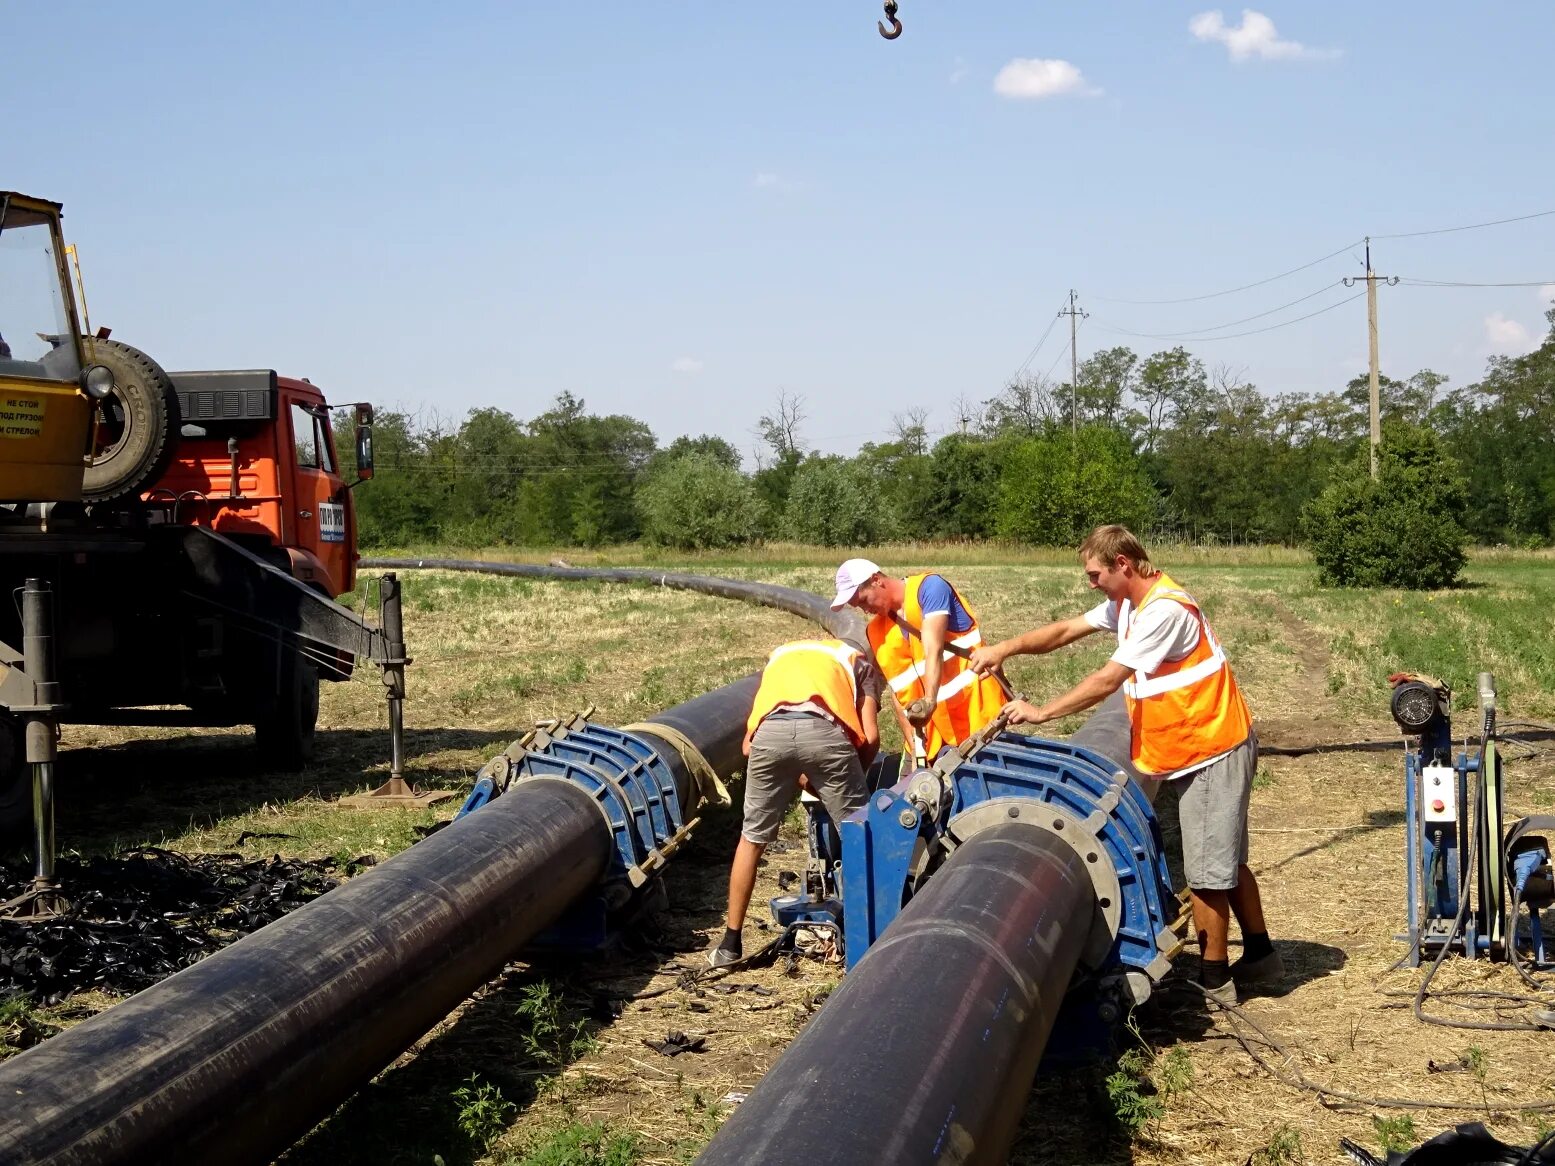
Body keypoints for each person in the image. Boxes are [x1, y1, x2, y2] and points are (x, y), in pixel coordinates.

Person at [968, 524, 1280, 1006]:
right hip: (1199, 746)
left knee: (1204, 874)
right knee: (1226, 860)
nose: (1091, 583)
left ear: (1123, 565)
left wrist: (1042, 712)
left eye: (1095, 574)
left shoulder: (1164, 612)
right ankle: (1260, 956)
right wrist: (1002, 649)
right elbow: (1066, 630)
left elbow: (1108, 678)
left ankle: (1215, 981)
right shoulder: (1130, 604)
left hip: (1212, 749)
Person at [709, 638, 882, 968]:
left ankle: (730, 944)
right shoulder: (860, 663)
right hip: (825, 735)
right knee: (860, 837)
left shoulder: (780, 660)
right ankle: (870, 937)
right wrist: (843, 779)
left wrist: (799, 775)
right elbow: (871, 737)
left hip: (769, 737)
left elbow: (748, 747)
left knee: (751, 838)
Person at [831, 558, 1005, 762]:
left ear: (876, 580)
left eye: (862, 600)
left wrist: (930, 700)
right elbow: (898, 690)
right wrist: (916, 749)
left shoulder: (930, 589)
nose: (864, 610)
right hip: (932, 743)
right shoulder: (876, 631)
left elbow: (934, 649)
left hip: (979, 723)